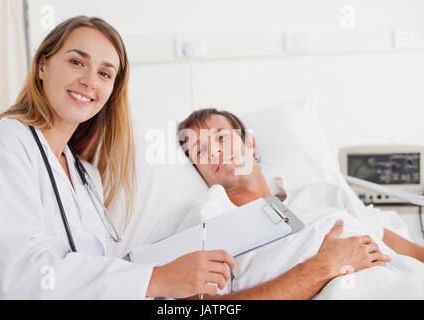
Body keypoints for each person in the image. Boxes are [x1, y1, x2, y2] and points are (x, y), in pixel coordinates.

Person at [0, 16, 236, 299]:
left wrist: (175, 275)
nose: (89, 81)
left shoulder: (86, 175)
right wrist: (157, 279)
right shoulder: (3, 146)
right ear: (42, 66)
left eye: (104, 74)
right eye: (77, 62)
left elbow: (94, 275)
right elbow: (24, 278)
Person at [177, 108, 424, 299]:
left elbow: (411, 252)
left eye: (221, 137)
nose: (215, 152)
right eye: (200, 150)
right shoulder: (209, 221)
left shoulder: (325, 194)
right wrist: (324, 266)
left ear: (249, 142)